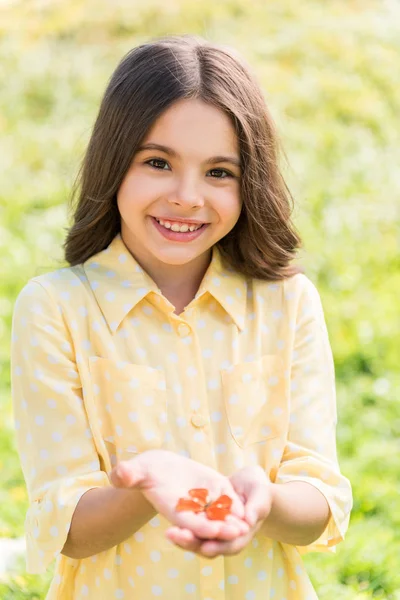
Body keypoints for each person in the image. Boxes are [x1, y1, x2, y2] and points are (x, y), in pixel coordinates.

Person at [11, 33, 352, 600]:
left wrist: (263, 501)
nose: (188, 196)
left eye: (220, 172)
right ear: (114, 163)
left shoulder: (288, 303)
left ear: (251, 183)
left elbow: (320, 500)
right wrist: (150, 485)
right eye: (158, 162)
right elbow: (65, 526)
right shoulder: (56, 308)